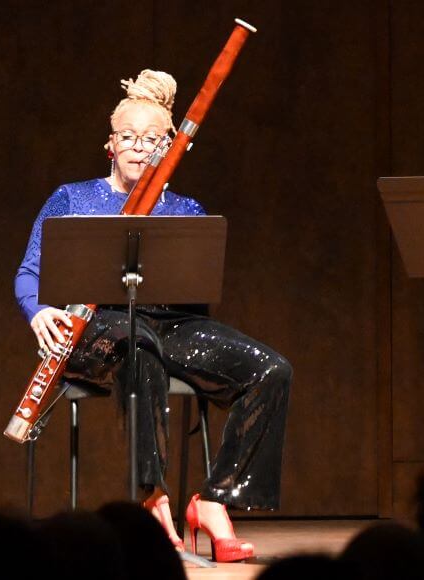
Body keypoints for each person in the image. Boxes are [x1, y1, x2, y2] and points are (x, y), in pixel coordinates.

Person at [15, 69, 292, 562]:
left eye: (151, 140)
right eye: (128, 137)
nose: (138, 148)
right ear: (110, 144)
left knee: (271, 370)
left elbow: (196, 298)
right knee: (139, 343)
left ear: (169, 150)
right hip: (96, 326)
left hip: (170, 324)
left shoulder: (187, 209)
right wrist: (39, 313)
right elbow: (29, 272)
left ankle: (215, 499)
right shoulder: (72, 197)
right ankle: (153, 498)